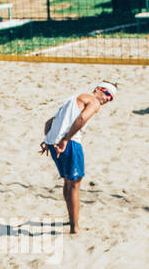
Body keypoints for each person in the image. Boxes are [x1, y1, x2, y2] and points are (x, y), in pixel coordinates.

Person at [40, 81, 116, 234]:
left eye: (112, 98)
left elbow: (50, 121)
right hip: (69, 143)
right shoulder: (93, 101)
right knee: (74, 184)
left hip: (54, 143)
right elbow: (82, 120)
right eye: (107, 93)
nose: (108, 99)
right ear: (97, 89)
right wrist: (66, 139)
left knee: (68, 182)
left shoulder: (73, 99)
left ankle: (71, 218)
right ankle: (75, 227)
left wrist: (48, 139)